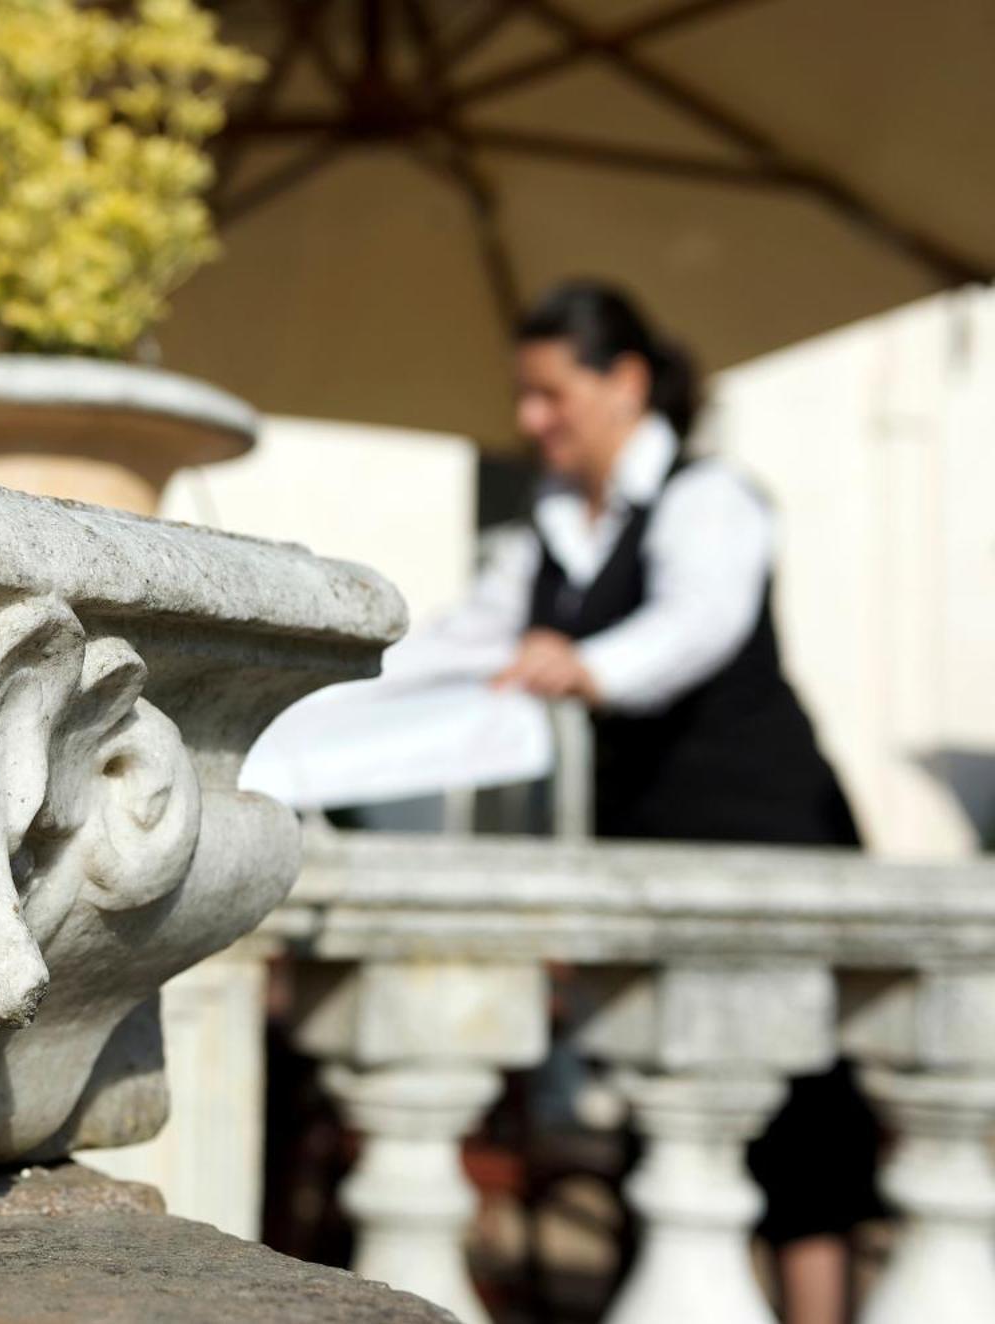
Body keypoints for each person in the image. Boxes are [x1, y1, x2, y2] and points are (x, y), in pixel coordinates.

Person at [426, 279, 877, 1324]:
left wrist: (579, 665)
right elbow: (459, 643)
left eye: (549, 395)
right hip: (646, 850)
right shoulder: (542, 531)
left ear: (623, 381)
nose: (530, 420)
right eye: (524, 398)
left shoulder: (709, 497)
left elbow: (693, 627)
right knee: (659, 1099)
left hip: (768, 835)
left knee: (801, 1124)